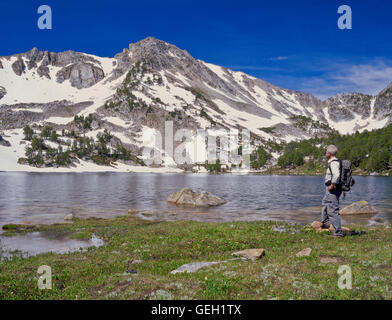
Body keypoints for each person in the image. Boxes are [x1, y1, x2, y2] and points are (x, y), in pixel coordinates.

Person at [321, 145, 344, 238]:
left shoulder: (333, 163)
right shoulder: (335, 162)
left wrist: (332, 185)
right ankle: (325, 223)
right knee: (325, 203)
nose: (325, 153)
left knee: (333, 210)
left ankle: (338, 233)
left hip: (333, 189)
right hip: (331, 190)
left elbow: (336, 175)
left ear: (329, 154)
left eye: (326, 152)